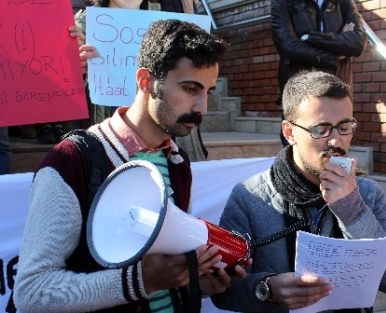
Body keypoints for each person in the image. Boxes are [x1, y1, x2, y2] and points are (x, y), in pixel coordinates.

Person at [14, 19, 247, 313]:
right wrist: (138, 282)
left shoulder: (176, 161)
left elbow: (163, 275)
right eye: (190, 88)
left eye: (208, 92)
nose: (201, 107)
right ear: (145, 81)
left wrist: (199, 284)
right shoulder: (70, 161)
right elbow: (32, 294)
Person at [211, 71, 386, 312]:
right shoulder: (251, 197)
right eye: (320, 130)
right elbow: (221, 290)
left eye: (345, 127)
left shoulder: (366, 193)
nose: (336, 141)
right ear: (289, 132)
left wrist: (352, 211)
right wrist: (267, 289)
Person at [70, 0, 207, 161]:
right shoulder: (81, 26)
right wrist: (74, 69)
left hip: (158, 141)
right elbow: (61, 94)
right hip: (105, 142)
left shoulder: (170, 24)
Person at [270, 0, 367, 146]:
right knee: (297, 151)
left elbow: (357, 43)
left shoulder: (343, 2)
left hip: (336, 88)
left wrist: (310, 38)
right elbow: (287, 45)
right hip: (301, 92)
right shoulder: (284, 2)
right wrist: (333, 54)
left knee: (335, 148)